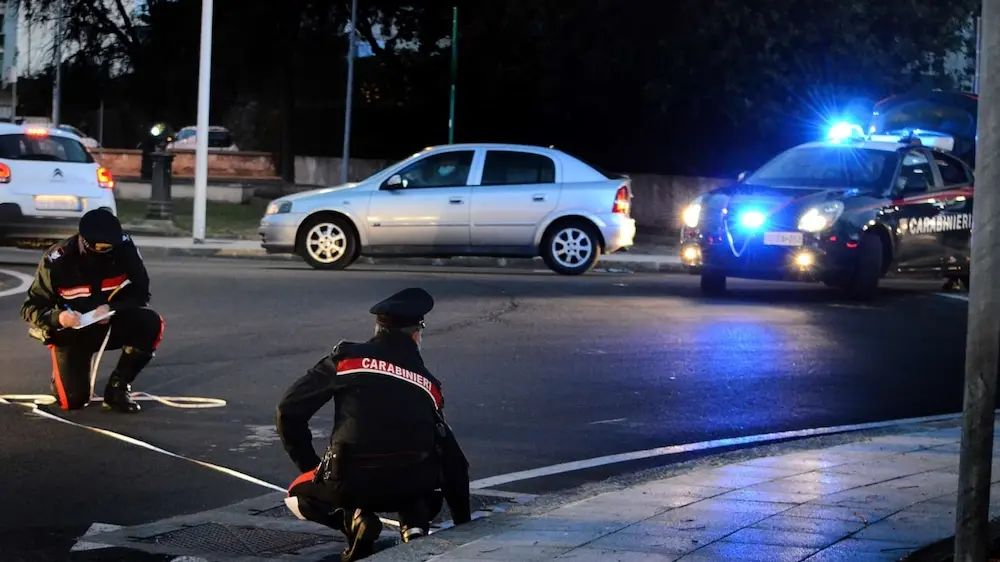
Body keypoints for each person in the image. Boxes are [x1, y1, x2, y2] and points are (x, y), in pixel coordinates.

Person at [276, 287, 471, 562]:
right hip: (408, 486)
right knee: (420, 469)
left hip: (348, 484)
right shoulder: (429, 385)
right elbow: (455, 463)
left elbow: (288, 410)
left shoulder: (346, 361)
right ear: (416, 335)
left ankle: (355, 521)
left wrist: (311, 467)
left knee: (297, 495)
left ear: (378, 328)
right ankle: (413, 527)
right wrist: (465, 525)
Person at [20, 209, 164, 413]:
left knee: (151, 323)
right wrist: (59, 318)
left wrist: (111, 308)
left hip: (110, 322)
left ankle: (118, 387)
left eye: (110, 249)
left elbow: (141, 294)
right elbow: (30, 308)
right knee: (73, 401)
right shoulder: (57, 261)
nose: (105, 254)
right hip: (72, 330)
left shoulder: (126, 250)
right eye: (100, 250)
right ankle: (62, 368)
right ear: (83, 242)